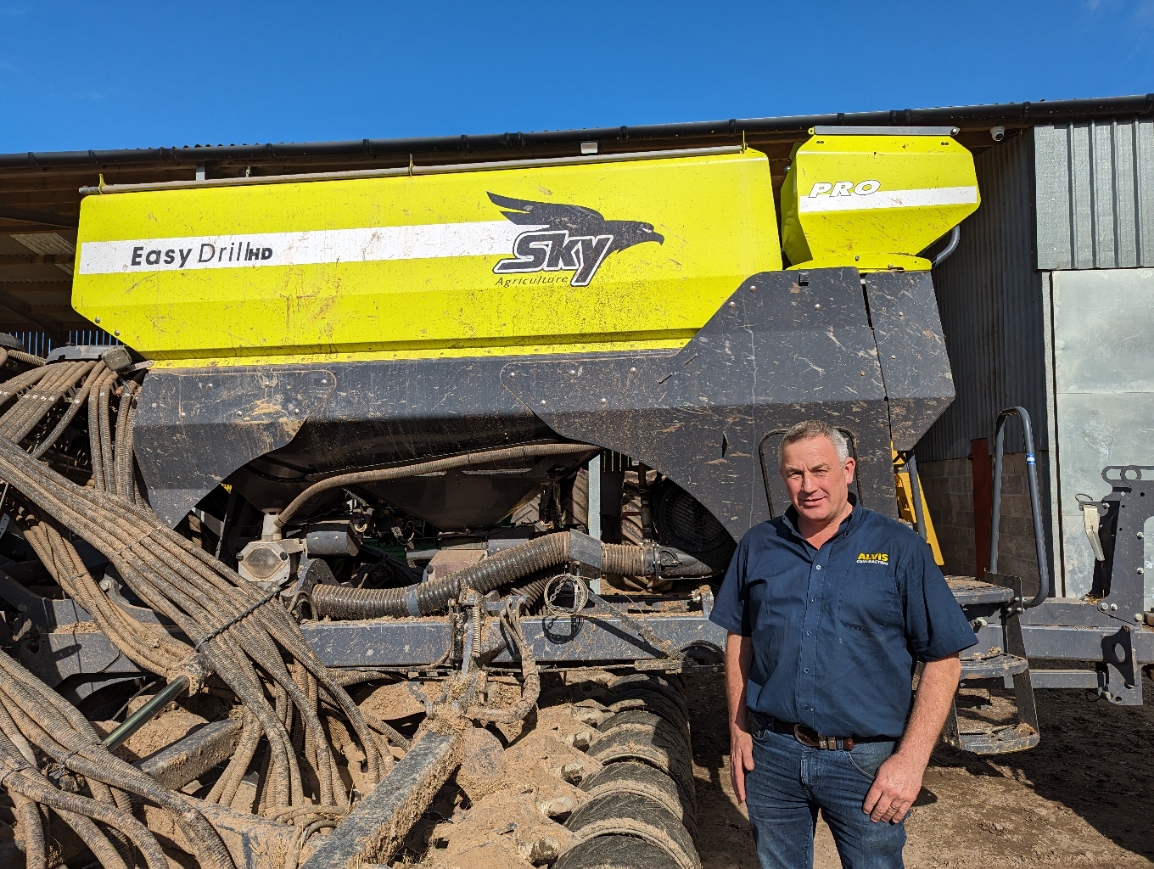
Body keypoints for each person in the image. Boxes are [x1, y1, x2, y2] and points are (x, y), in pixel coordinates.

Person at [709, 419, 976, 869]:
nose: (808, 486)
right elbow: (740, 638)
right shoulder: (759, 545)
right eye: (795, 474)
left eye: (820, 470)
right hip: (773, 757)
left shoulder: (899, 547)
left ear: (848, 470)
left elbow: (943, 661)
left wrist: (910, 762)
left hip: (865, 763)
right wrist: (737, 730)